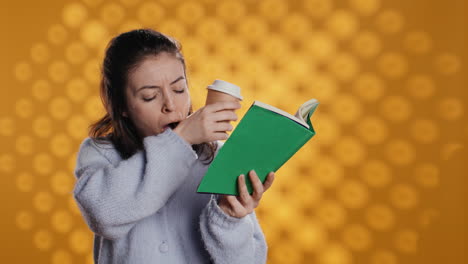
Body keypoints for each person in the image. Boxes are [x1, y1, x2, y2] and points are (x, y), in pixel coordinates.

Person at [73, 28, 275, 264]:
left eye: (179, 89)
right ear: (120, 105)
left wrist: (229, 219)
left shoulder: (217, 157)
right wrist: (180, 141)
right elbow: (104, 215)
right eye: (150, 96)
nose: (170, 104)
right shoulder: (100, 154)